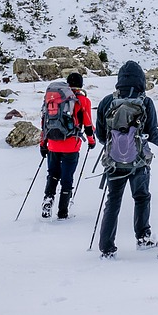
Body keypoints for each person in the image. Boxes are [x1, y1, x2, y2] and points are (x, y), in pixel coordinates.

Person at [95, 60, 158, 258]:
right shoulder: (145, 102)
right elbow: (154, 135)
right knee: (141, 197)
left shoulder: (107, 102)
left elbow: (101, 136)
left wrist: (117, 145)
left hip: (114, 163)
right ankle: (143, 237)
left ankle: (106, 248)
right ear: (141, 80)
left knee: (113, 202)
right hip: (139, 162)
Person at [40, 72, 96, 220]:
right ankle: (63, 212)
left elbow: (44, 122)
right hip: (71, 146)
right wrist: (91, 141)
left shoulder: (55, 99)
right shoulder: (83, 100)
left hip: (52, 143)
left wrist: (43, 143)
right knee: (67, 177)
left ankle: (48, 200)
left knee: (53, 174)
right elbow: (88, 125)